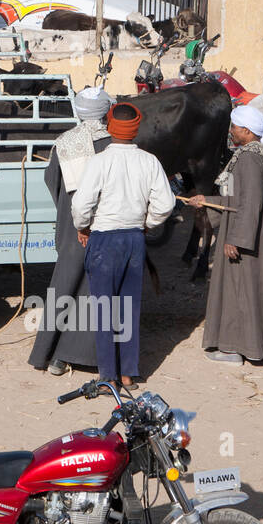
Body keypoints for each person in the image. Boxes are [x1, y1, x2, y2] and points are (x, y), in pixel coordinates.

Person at [70, 103, 175, 387]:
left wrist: (82, 226)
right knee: (128, 307)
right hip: (134, 240)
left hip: (104, 240)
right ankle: (128, 373)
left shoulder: (99, 162)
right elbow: (166, 204)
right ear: (136, 128)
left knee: (105, 310)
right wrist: (147, 223)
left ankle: (108, 376)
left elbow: (81, 205)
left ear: (109, 127)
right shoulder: (149, 161)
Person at [188, 106, 263, 365]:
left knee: (239, 289)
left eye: (234, 127)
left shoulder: (247, 159)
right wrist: (208, 201)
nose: (230, 131)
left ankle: (234, 348)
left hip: (247, 234)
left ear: (246, 131)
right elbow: (240, 198)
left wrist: (235, 238)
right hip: (260, 232)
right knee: (258, 289)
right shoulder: (261, 154)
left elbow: (248, 203)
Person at [28, 86, 114, 376]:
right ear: (106, 111)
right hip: (104, 225)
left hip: (71, 224)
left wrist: (67, 211)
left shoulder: (65, 142)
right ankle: (83, 356)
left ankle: (52, 356)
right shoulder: (115, 144)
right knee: (94, 289)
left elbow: (52, 180)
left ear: (78, 111)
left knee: (65, 283)